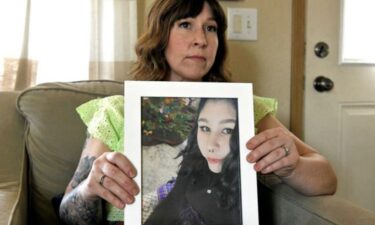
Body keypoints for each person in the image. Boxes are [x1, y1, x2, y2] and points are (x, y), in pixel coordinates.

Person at [59, 0, 337, 224]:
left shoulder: (245, 108)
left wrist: (294, 166)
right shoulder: (118, 111)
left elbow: (327, 179)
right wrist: (91, 188)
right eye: (186, 25)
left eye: (211, 28)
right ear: (160, 35)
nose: (201, 40)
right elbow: (68, 211)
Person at [144, 98, 241, 225]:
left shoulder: (245, 186)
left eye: (227, 130)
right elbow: (173, 202)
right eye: (205, 128)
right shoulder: (194, 158)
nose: (210, 146)